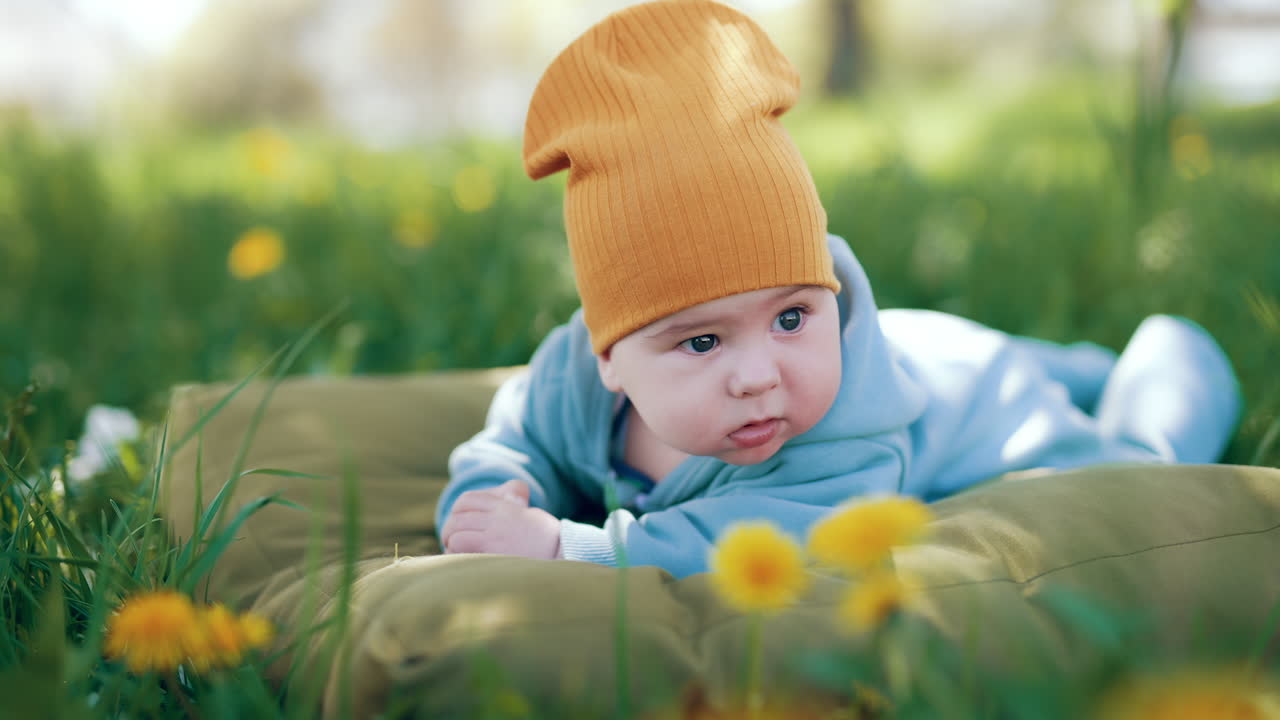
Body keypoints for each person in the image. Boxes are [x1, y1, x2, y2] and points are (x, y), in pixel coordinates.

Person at [435, 0, 1242, 579]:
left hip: (982, 401)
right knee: (959, 350)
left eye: (792, 314)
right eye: (703, 341)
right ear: (609, 355)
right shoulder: (569, 382)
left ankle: (1175, 353)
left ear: (827, 294)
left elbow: (759, 541)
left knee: (1135, 467)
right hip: (922, 347)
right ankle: (1083, 362)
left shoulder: (844, 444)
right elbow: (510, 443)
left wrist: (561, 545)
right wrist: (491, 503)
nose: (757, 374)